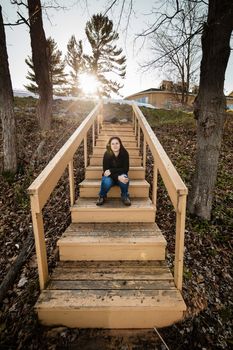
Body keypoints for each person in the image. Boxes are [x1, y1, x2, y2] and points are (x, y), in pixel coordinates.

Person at [96, 136, 131, 206]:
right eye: (112, 144)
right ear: (110, 145)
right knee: (106, 181)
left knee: (124, 177)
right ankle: (102, 196)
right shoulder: (107, 154)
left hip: (119, 175)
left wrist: (111, 170)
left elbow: (125, 169)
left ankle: (125, 195)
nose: (115, 145)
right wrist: (117, 176)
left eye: (117, 143)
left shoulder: (125, 153)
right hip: (110, 177)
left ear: (120, 144)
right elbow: (106, 171)